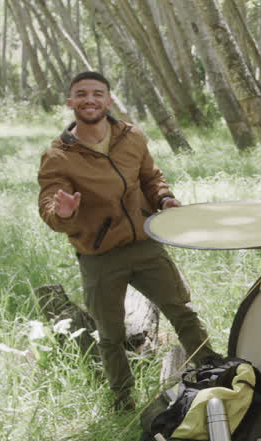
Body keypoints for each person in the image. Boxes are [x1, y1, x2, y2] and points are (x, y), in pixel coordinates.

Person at [38, 71, 212, 410]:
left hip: (145, 244)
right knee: (110, 334)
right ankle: (122, 402)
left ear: (109, 99)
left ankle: (213, 374)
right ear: (70, 102)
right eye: (82, 94)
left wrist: (164, 199)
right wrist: (64, 212)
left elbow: (151, 178)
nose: (90, 99)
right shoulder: (58, 155)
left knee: (182, 311)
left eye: (97, 93)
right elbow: (49, 206)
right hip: (99, 254)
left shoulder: (131, 137)